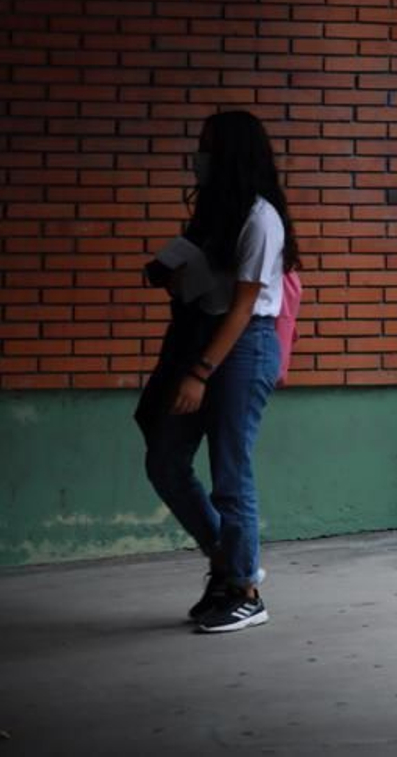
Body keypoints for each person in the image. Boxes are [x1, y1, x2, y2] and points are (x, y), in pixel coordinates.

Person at [138, 110, 296, 633]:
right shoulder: (216, 213)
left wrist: (200, 373)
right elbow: (207, 291)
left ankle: (247, 590)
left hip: (242, 348)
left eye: (206, 147)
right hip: (205, 338)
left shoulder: (260, 218)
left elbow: (244, 308)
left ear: (230, 155)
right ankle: (226, 564)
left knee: (231, 471)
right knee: (164, 459)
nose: (197, 157)